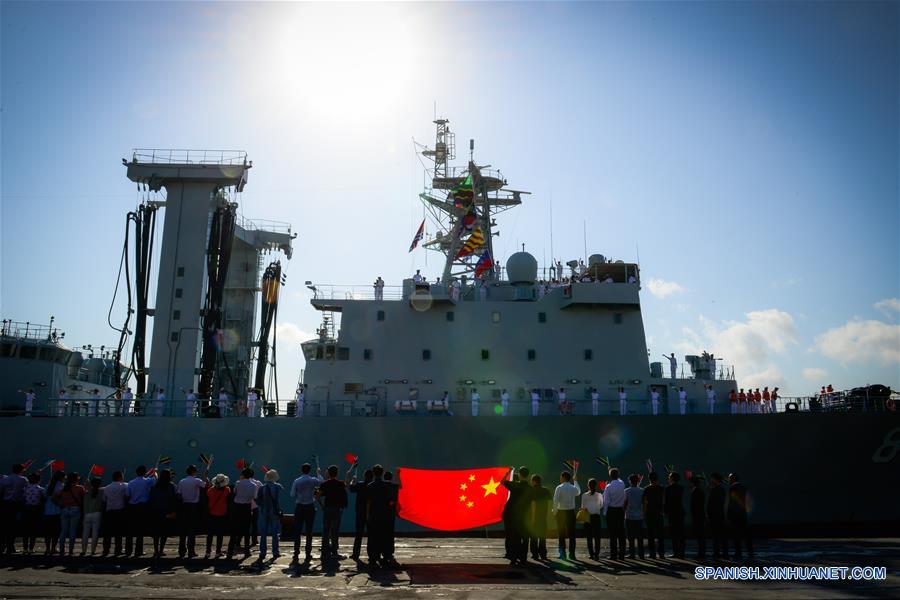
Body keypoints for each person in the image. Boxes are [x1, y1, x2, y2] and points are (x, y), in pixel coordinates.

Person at [290, 463, 322, 563]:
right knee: (309, 531)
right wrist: (318, 473)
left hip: (299, 506)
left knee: (297, 530)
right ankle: (308, 552)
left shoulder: (297, 481)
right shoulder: (313, 480)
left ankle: (296, 552)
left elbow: (292, 494)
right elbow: (321, 482)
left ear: (301, 470)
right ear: (309, 470)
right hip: (310, 507)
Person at [366, 464, 395, 569]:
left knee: (373, 536)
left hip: (374, 514)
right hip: (385, 514)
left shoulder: (370, 486)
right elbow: (391, 501)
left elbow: (368, 502)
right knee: (385, 535)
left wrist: (368, 514)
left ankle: (373, 556)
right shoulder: (388, 486)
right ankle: (386, 555)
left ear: (373, 473)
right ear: (382, 473)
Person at [500, 466, 530, 565]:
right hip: (524, 515)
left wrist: (508, 472)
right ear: (527, 475)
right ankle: (523, 558)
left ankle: (513, 557)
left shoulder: (514, 485)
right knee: (523, 537)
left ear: (520, 475)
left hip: (511, 514)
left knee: (513, 536)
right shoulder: (530, 488)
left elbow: (502, 482)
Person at [318, 465, 349, 559]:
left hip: (327, 509)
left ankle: (324, 550)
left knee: (326, 530)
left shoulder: (324, 484)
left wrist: (322, 505)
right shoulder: (340, 484)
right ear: (337, 473)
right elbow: (346, 486)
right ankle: (334, 550)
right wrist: (347, 475)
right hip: (337, 509)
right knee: (335, 530)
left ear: (329, 473)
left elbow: (317, 496)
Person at [177, 465, 206, 558]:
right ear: (194, 472)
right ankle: (191, 551)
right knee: (191, 530)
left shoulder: (181, 481)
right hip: (193, 506)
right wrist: (206, 477)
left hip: (184, 506)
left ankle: (181, 551)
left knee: (183, 530)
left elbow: (179, 494)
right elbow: (205, 485)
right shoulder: (197, 480)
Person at [227, 467, 257, 559]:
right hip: (247, 507)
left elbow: (235, 492)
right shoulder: (254, 485)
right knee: (246, 530)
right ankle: (247, 551)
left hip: (237, 507)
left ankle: (230, 551)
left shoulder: (238, 483)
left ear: (243, 475)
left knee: (234, 530)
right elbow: (254, 497)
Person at [125, 465, 155, 557]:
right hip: (142, 507)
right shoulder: (148, 481)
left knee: (130, 530)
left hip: (132, 507)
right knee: (140, 531)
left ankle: (128, 551)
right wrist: (154, 473)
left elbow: (127, 495)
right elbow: (155, 480)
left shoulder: (131, 482)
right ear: (144, 472)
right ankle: (138, 551)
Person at [256, 469, 283, 564]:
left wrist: (262, 506)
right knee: (275, 532)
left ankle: (262, 552)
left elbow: (257, 500)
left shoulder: (262, 488)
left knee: (263, 533)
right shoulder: (278, 487)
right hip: (274, 512)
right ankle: (275, 552)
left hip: (263, 512)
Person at [55, 472, 85, 556]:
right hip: (75, 509)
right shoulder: (80, 488)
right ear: (77, 479)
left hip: (64, 509)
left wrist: (60, 504)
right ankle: (70, 550)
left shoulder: (64, 488)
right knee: (72, 530)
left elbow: (54, 497)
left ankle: (61, 550)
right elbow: (84, 497)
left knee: (63, 531)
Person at [149, 469, 178, 558]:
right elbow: (174, 499)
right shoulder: (171, 486)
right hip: (167, 511)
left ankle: (156, 550)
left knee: (156, 533)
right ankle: (161, 550)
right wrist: (173, 511)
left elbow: (152, 498)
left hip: (156, 511)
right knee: (164, 532)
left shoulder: (155, 486)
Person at [552, 470, 580, 560]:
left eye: (561, 477)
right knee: (572, 535)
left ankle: (562, 554)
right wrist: (575, 481)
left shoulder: (559, 487)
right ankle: (572, 554)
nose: (560, 478)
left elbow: (555, 501)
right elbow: (578, 492)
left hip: (561, 513)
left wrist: (554, 512)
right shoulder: (573, 488)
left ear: (563, 477)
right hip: (571, 512)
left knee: (561, 534)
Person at [1, 463, 28, 554]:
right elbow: (26, 492)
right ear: (21, 470)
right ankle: (10, 546)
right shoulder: (23, 480)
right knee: (13, 526)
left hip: (5, 504)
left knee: (5, 525)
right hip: (17, 505)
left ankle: (2, 546)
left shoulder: (5, 479)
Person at [727, 473, 753, 560]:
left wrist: (729, 513)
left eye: (729, 478)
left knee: (736, 535)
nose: (728, 480)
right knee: (746, 534)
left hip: (735, 515)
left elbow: (733, 502)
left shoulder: (733, 488)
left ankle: (738, 553)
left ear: (733, 479)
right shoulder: (743, 487)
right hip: (742, 514)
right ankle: (750, 552)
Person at [101, 471, 128, 556]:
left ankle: (106, 550)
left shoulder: (107, 488)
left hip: (109, 512)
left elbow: (104, 500)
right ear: (120, 477)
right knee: (118, 532)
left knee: (107, 533)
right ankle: (118, 550)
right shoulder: (124, 486)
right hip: (119, 512)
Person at [348, 468, 373, 560]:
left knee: (358, 534)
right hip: (371, 513)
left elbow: (351, 488)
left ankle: (356, 554)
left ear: (365, 476)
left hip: (360, 512)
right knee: (371, 534)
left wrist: (353, 480)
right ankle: (371, 554)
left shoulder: (360, 484)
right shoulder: (373, 486)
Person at [602, 468, 626, 560]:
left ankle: (613, 555)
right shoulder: (622, 484)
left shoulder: (608, 487)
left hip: (611, 511)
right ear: (618, 475)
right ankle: (622, 554)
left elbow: (606, 501)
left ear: (610, 476)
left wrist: (605, 513)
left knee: (613, 534)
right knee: (621, 533)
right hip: (620, 511)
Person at [205, 474, 231, 558]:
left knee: (210, 534)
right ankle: (218, 552)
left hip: (211, 514)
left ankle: (208, 552)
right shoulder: (227, 490)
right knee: (220, 534)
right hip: (222, 514)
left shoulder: (210, 490)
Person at [527, 474, 552, 561]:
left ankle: (535, 554)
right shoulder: (546, 490)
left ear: (534, 481)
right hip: (543, 517)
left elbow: (531, 505)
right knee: (542, 537)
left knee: (533, 537)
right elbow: (549, 505)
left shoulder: (531, 490)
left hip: (534, 517)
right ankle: (543, 554)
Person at [22, 472, 45, 554]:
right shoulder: (41, 489)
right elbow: (44, 499)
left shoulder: (25, 488)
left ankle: (25, 548)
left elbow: (23, 499)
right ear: (38, 480)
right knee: (33, 530)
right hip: (35, 510)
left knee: (26, 530)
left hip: (27, 509)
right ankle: (31, 548)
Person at [643, 472, 665, 558]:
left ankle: (652, 553)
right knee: (660, 535)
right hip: (659, 513)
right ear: (657, 478)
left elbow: (645, 502)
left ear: (649, 479)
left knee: (650, 535)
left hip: (650, 513)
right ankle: (661, 553)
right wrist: (662, 511)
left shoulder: (646, 489)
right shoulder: (661, 488)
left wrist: (644, 514)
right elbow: (663, 501)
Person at [43, 470, 65, 555]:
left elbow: (44, 497)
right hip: (57, 511)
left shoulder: (48, 486)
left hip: (47, 511)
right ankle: (53, 548)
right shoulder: (62, 486)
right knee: (56, 532)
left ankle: (47, 549)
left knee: (48, 532)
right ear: (62, 478)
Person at [581, 478, 604, 560]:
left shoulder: (584, 495)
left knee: (589, 537)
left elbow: (583, 507)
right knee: (597, 537)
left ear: (588, 485)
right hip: (596, 517)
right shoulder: (599, 495)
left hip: (588, 517)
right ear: (596, 485)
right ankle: (597, 554)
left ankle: (591, 554)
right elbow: (601, 506)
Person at [707, 473, 728, 560]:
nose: (711, 481)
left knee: (717, 534)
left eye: (712, 479)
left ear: (715, 479)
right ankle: (721, 552)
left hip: (716, 515)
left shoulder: (717, 489)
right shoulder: (719, 489)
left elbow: (714, 503)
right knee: (719, 534)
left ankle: (719, 552)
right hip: (718, 515)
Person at [664, 472, 686, 559]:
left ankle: (676, 552)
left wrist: (665, 511)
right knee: (681, 533)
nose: (668, 478)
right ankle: (682, 551)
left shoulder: (668, 488)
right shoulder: (681, 488)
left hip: (672, 513)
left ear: (672, 478)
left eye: (669, 477)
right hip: (680, 512)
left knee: (674, 534)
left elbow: (667, 502)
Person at [624, 474, 645, 559]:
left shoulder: (626, 491)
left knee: (630, 536)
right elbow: (644, 503)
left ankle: (632, 554)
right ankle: (641, 554)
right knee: (640, 536)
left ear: (630, 481)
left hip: (629, 516)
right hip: (639, 516)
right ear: (638, 481)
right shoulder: (642, 490)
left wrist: (623, 513)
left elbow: (625, 504)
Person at [81, 477, 103, 556]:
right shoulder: (101, 492)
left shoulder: (86, 493)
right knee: (95, 534)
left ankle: (83, 550)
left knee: (85, 534)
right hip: (97, 514)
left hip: (87, 514)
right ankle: (93, 551)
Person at [689, 476, 706, 559]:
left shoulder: (696, 492)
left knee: (700, 535)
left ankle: (701, 553)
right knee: (700, 535)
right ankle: (701, 552)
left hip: (698, 516)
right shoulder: (699, 491)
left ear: (692, 483)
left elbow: (696, 506)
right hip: (700, 516)